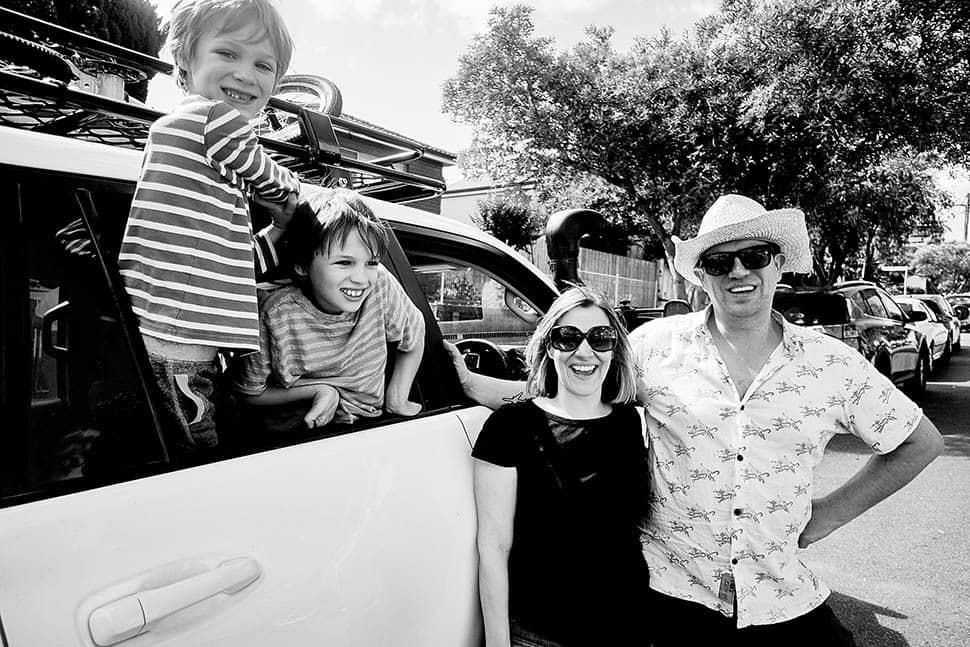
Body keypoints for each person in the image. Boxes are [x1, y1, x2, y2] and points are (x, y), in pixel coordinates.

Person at [452, 194, 944, 645]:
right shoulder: (655, 347)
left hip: (781, 598)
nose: (737, 272)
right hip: (672, 602)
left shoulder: (832, 364)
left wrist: (830, 513)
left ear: (778, 264)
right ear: (702, 275)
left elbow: (920, 442)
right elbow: (572, 392)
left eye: (754, 257)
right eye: (719, 262)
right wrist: (471, 384)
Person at [117, 0, 302, 452]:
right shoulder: (214, 119)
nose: (245, 74)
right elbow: (266, 174)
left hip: (163, 335)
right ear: (185, 59)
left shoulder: (183, 143)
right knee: (196, 451)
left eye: (263, 65)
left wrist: (278, 229)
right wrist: (296, 193)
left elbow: (228, 258)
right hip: (179, 344)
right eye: (228, 53)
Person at [473, 286, 650, 646]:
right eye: (568, 337)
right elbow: (493, 548)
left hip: (628, 629)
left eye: (600, 337)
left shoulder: (633, 423)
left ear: (615, 349)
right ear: (549, 346)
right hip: (540, 634)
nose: (584, 351)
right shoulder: (510, 427)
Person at [233, 188, 425, 429]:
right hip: (298, 432)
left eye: (371, 262)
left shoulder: (380, 287)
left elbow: (415, 330)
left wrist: (397, 398)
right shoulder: (276, 313)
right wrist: (320, 391)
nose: (361, 279)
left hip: (366, 426)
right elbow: (249, 391)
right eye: (344, 263)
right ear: (302, 265)